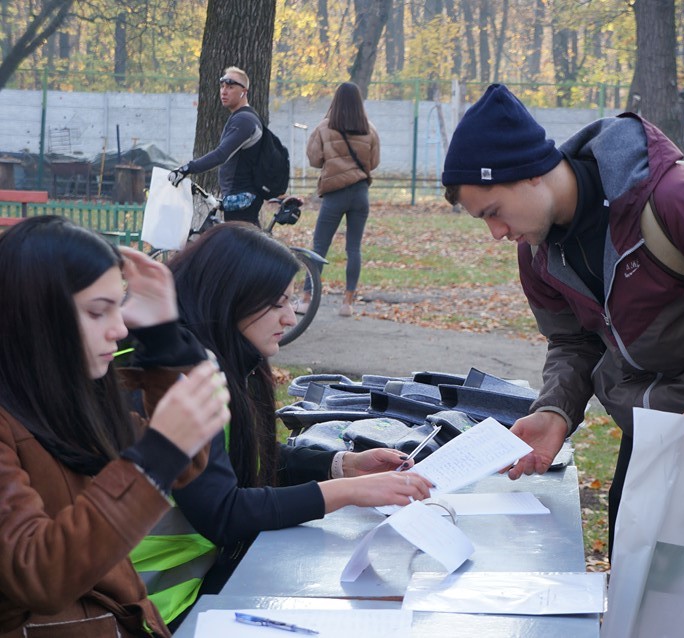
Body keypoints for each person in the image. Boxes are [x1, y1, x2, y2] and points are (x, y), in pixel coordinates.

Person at [441, 84, 684, 575]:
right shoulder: (538, 253)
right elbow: (572, 340)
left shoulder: (675, 199)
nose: (496, 234)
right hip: (650, 438)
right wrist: (555, 410)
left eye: (493, 213)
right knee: (642, 586)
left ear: (529, 173)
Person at [131, 222, 432, 626]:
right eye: (277, 304)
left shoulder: (218, 357)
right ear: (229, 298)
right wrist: (345, 491)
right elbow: (223, 511)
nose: (291, 318)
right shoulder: (173, 375)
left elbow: (237, 456)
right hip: (149, 604)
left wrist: (341, 464)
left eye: (291, 301)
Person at [0, 216, 229, 637]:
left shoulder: (65, 404)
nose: (120, 328)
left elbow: (184, 465)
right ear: (35, 316)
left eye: (119, 305)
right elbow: (38, 574)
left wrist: (162, 335)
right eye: (96, 310)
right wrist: (156, 453)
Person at [306, 81, 380, 317]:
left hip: (335, 194)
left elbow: (314, 159)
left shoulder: (324, 128)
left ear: (335, 101)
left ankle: (307, 298)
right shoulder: (370, 129)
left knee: (319, 247)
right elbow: (374, 162)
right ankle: (347, 303)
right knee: (353, 248)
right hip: (360, 194)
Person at [168, 66, 265, 225]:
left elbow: (221, 154)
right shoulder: (243, 117)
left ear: (244, 92)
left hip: (241, 199)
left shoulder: (244, 120)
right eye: (222, 86)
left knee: (238, 247)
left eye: (231, 86)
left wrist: (187, 169)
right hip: (241, 197)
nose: (224, 91)